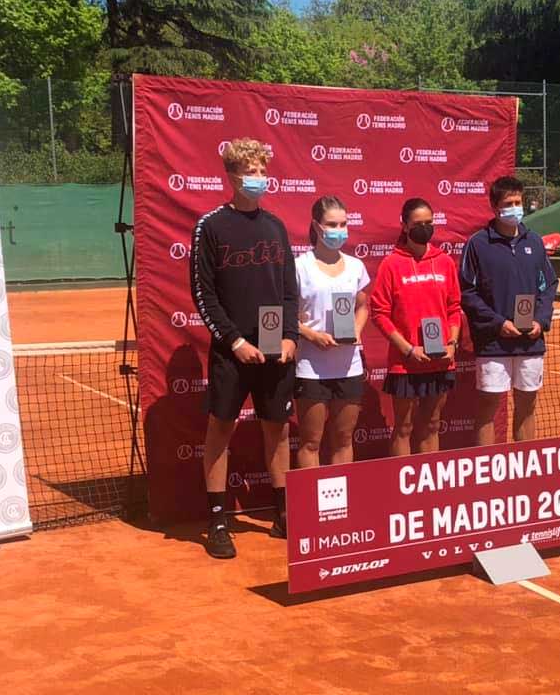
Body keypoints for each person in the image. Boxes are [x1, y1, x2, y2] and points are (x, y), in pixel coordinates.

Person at [189, 137, 298, 559]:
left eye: (262, 171)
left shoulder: (275, 226)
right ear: (231, 176)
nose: (258, 179)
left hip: (275, 348)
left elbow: (289, 289)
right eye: (250, 172)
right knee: (221, 429)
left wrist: (289, 335)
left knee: (278, 429)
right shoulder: (211, 226)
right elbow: (203, 293)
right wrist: (234, 341)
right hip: (231, 352)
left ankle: (283, 514)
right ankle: (217, 521)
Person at [460, 175, 558, 447]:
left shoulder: (534, 242)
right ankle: (487, 470)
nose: (514, 208)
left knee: (527, 404)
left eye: (518, 202)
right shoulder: (477, 244)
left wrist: (541, 320)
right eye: (508, 203)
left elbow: (549, 284)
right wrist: (497, 323)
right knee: (488, 408)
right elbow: (467, 292)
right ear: (494, 207)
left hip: (531, 341)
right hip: (494, 343)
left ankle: (525, 467)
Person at [370, 198, 462, 457]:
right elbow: (379, 313)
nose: (424, 228)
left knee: (432, 425)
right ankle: (403, 492)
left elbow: (454, 308)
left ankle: (427, 489)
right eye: (418, 224)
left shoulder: (444, 261)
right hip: (405, 362)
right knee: (404, 427)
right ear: (404, 225)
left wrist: (452, 344)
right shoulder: (391, 264)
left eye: (429, 223)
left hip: (440, 360)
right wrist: (408, 349)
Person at [294, 195, 369, 469]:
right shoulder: (299, 266)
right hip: (310, 367)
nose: (339, 230)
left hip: (349, 365)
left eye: (343, 224)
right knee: (311, 441)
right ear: (316, 226)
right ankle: (313, 508)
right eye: (332, 224)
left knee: (344, 439)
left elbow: (362, 307)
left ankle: (342, 508)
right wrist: (311, 335)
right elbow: (284, 316)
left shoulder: (355, 266)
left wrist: (357, 330)